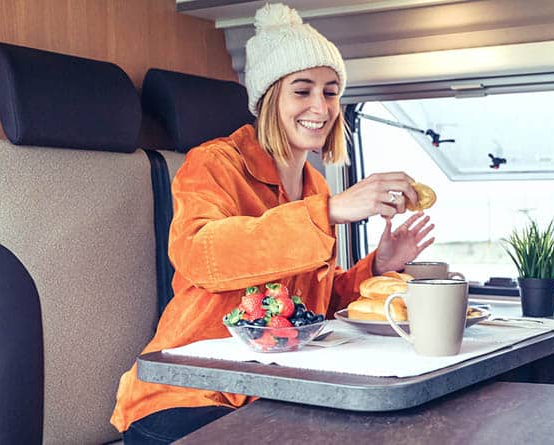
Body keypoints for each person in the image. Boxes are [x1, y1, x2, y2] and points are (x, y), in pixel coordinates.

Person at [111, 4, 435, 443]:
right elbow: (203, 256)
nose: (320, 107)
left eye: (331, 91)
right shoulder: (213, 163)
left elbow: (307, 305)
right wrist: (329, 212)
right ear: (268, 98)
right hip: (185, 396)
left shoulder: (315, 184)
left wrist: (377, 266)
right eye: (302, 91)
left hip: (274, 388)